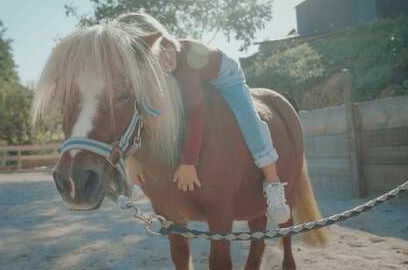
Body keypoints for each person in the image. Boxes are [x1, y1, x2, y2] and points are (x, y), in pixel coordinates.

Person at [116, 12, 290, 225]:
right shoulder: (157, 73)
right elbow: (142, 116)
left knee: (250, 122)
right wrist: (132, 157)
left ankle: (273, 184)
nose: (161, 66)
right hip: (194, 79)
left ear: (164, 42)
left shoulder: (185, 60)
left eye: (158, 57)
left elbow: (195, 114)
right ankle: (152, 181)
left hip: (226, 78)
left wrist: (189, 163)